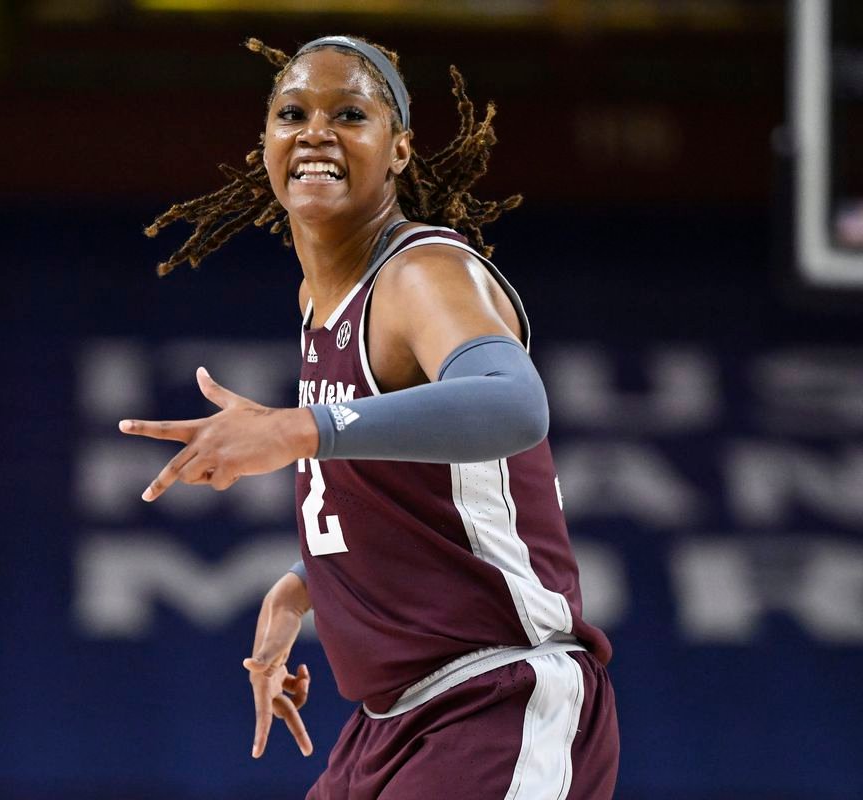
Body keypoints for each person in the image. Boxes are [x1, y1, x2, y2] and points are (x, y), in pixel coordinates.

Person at [119, 35, 619, 800]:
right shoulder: (320, 301)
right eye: (293, 114)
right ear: (264, 145)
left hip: (496, 700)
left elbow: (514, 402)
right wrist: (305, 584)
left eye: (349, 114)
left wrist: (297, 429)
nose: (315, 132)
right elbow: (410, 486)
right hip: (390, 722)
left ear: (400, 150)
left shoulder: (423, 272)